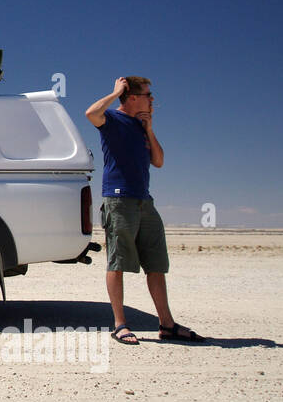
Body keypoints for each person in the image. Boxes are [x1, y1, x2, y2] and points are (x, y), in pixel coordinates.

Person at [85, 76, 205, 344]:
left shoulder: (141, 126)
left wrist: (149, 129)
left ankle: (167, 324)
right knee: (117, 263)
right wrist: (115, 92)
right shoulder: (113, 120)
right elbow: (91, 113)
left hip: (144, 202)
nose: (152, 100)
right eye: (148, 95)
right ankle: (120, 325)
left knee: (156, 265)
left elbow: (159, 161)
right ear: (132, 98)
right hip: (119, 200)